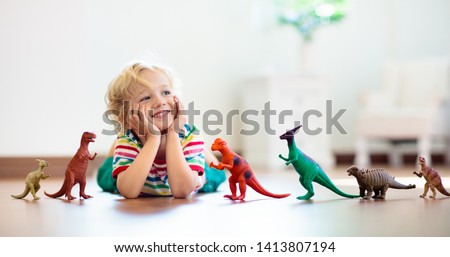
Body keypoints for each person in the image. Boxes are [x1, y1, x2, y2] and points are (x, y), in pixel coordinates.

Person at [97, 61, 225, 198]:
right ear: (127, 118)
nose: (160, 101)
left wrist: (173, 134)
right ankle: (115, 148)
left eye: (166, 92)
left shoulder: (190, 135)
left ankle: (202, 151)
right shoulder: (129, 140)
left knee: (217, 173)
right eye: (145, 98)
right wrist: (153, 138)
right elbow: (128, 191)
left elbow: (182, 191)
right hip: (132, 160)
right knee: (106, 178)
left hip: (193, 170)